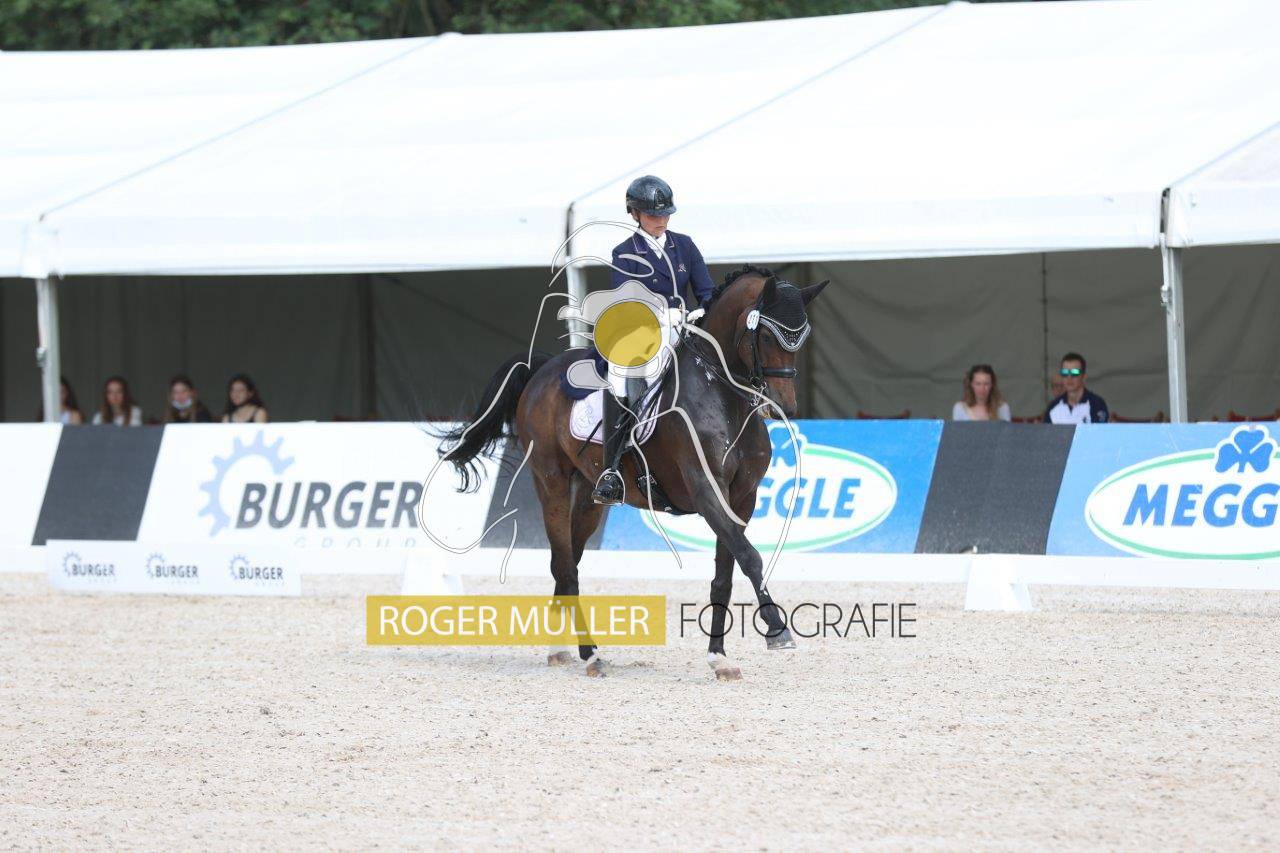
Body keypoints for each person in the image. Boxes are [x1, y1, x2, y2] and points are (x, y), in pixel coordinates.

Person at [592, 175, 716, 505]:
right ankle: (612, 469)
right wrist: (663, 315)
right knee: (619, 375)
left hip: (684, 328)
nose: (661, 221)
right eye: (652, 215)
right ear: (634, 213)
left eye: (665, 214)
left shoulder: (684, 246)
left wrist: (704, 308)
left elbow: (706, 289)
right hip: (643, 332)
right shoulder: (624, 252)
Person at [1044, 352, 1109, 424]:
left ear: (1084, 377)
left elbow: (1100, 430)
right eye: (1065, 372)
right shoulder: (1053, 407)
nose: (1069, 377)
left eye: (1075, 372)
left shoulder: (1097, 404)